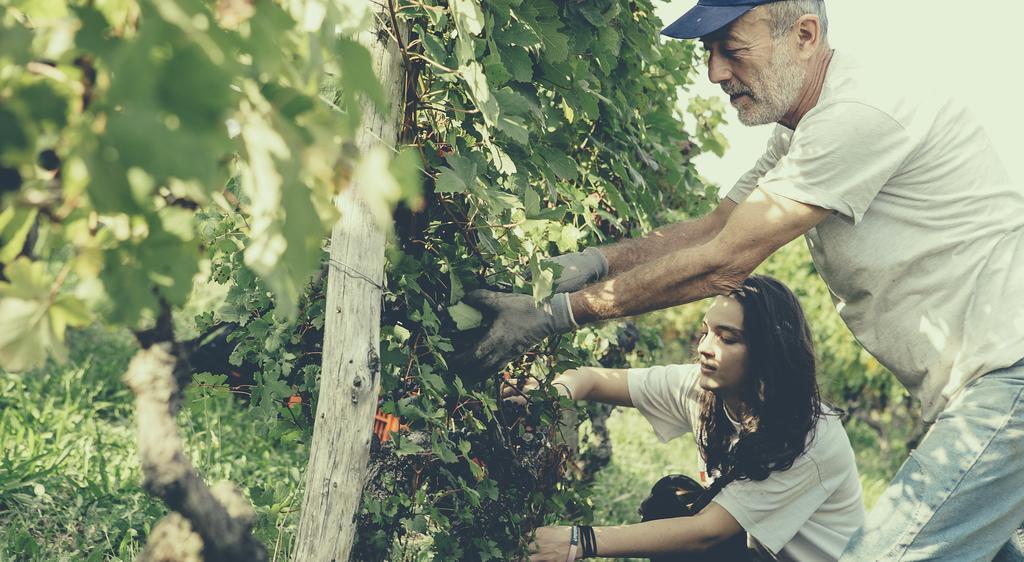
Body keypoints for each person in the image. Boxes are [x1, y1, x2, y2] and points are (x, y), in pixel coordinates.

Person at [458, 0, 1024, 559]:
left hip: (1009, 377)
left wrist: (556, 314)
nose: (715, 73)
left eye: (732, 50)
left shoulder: (861, 111)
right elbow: (716, 226)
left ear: (804, 34)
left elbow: (725, 259)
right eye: (709, 51)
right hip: (978, 387)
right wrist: (591, 264)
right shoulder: (802, 129)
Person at [514, 275, 863, 561]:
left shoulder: (807, 437)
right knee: (671, 498)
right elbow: (590, 379)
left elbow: (707, 534)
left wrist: (580, 541)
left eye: (727, 338)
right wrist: (549, 395)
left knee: (685, 520)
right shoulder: (703, 387)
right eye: (707, 331)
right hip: (749, 551)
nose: (705, 347)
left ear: (768, 353)